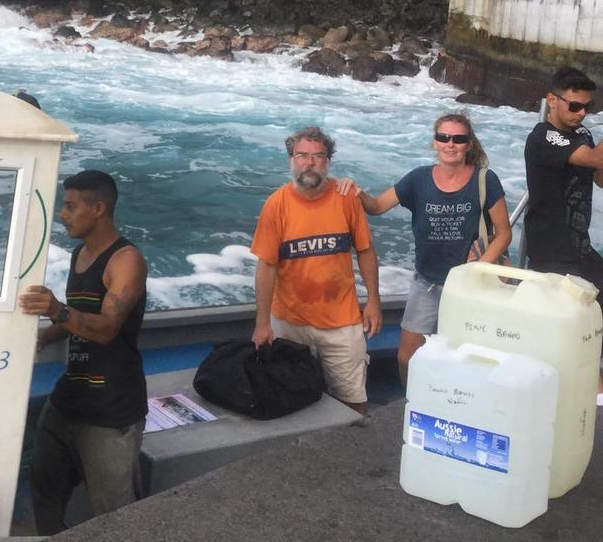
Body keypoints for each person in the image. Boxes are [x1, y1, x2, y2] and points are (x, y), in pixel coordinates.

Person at [19, 170, 148, 535]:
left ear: (99, 209)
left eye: (71, 206)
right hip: (70, 397)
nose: (62, 213)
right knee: (43, 482)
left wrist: (56, 310)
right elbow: (81, 313)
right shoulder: (80, 254)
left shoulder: (126, 261)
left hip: (111, 409)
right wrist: (46, 335)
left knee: (114, 513)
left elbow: (106, 327)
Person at [338, 113, 511, 385]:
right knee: (407, 357)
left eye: (458, 138)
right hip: (427, 283)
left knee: (465, 358)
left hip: (470, 288)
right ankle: (414, 404)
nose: (450, 144)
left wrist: (477, 271)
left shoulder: (485, 180)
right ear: (434, 143)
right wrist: (356, 192)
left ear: (468, 144)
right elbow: (377, 207)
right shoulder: (418, 179)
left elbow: (504, 233)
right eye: (443, 137)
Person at [251, 126, 381, 415]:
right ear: (291, 159)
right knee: (292, 400)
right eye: (302, 155)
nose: (309, 163)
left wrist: (373, 301)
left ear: (328, 161)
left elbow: (365, 250)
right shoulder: (276, 205)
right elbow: (266, 267)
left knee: (354, 403)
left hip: (342, 322)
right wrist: (262, 324)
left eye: (318, 156)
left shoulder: (346, 198)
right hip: (289, 322)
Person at [523, 67, 603, 294]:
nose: (581, 113)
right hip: (551, 254)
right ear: (552, 100)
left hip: (580, 247)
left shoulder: (583, 134)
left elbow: (599, 178)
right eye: (575, 106)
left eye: (588, 107)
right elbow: (594, 157)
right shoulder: (542, 137)